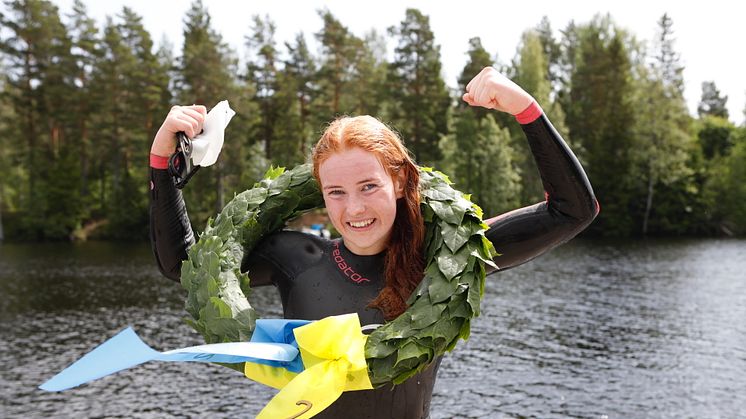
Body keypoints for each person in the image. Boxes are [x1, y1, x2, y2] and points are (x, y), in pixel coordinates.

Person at [149, 67, 599, 418]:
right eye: (336, 193)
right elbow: (184, 266)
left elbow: (573, 210)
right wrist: (162, 163)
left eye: (368, 186)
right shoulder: (296, 257)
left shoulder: (444, 261)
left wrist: (525, 107)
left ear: (400, 182)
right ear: (320, 195)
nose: (353, 210)